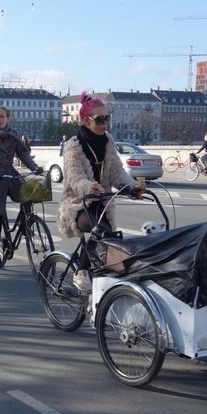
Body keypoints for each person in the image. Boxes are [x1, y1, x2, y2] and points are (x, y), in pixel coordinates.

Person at [58, 92, 144, 293]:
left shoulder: (108, 142)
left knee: (113, 241)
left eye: (107, 118)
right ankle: (81, 272)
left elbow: (117, 172)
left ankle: (103, 285)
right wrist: (89, 186)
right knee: (101, 230)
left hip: (102, 203)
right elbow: (74, 177)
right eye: (100, 119)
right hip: (78, 205)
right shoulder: (73, 146)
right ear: (86, 121)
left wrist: (132, 187)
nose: (105, 123)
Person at [0, 106, 43, 267]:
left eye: (2, 116)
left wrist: (35, 168)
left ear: (8, 118)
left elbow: (24, 155)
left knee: (30, 194)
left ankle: (27, 221)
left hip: (10, 173)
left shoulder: (13, 137)